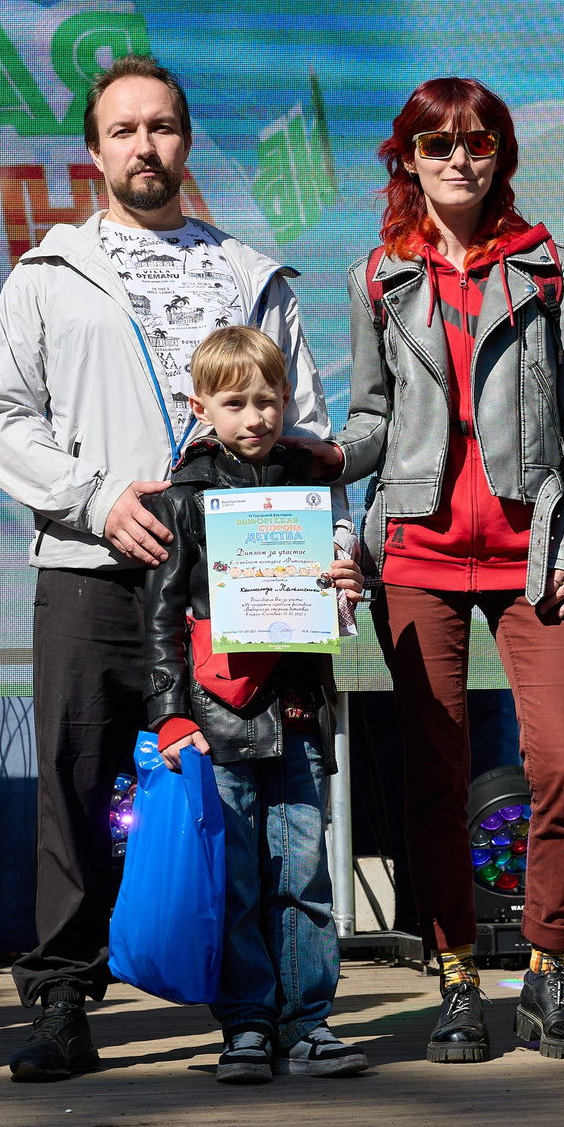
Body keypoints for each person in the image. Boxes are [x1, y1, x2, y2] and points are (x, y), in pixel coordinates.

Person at [0, 53, 333, 1083]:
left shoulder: (251, 274)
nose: (145, 145)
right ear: (93, 151)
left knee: (248, 794)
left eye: (163, 126)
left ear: (185, 139)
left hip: (240, 586)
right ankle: (61, 1001)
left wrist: (326, 553)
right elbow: (0, 419)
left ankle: (253, 1010)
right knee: (76, 780)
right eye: (124, 129)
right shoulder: (46, 273)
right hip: (92, 563)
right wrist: (98, 500)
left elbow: (300, 429)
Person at [329, 77, 564, 1065]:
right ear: (405, 157)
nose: (460, 158)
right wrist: (324, 456)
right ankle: (455, 976)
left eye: (477, 141)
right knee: (434, 772)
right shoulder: (377, 276)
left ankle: (545, 970)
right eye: (438, 143)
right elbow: (370, 416)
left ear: (499, 153)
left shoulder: (546, 267)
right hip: (415, 545)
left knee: (563, 761)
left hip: (532, 548)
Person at [144, 326, 368, 1083]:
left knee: (302, 876)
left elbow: (335, 600)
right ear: (200, 407)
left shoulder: (310, 490)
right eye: (235, 402)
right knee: (236, 879)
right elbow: (159, 617)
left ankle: (307, 1024)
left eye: (267, 400)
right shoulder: (184, 495)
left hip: (299, 708)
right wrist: (171, 713)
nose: (255, 417)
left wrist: (344, 589)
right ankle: (244, 1025)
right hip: (218, 719)